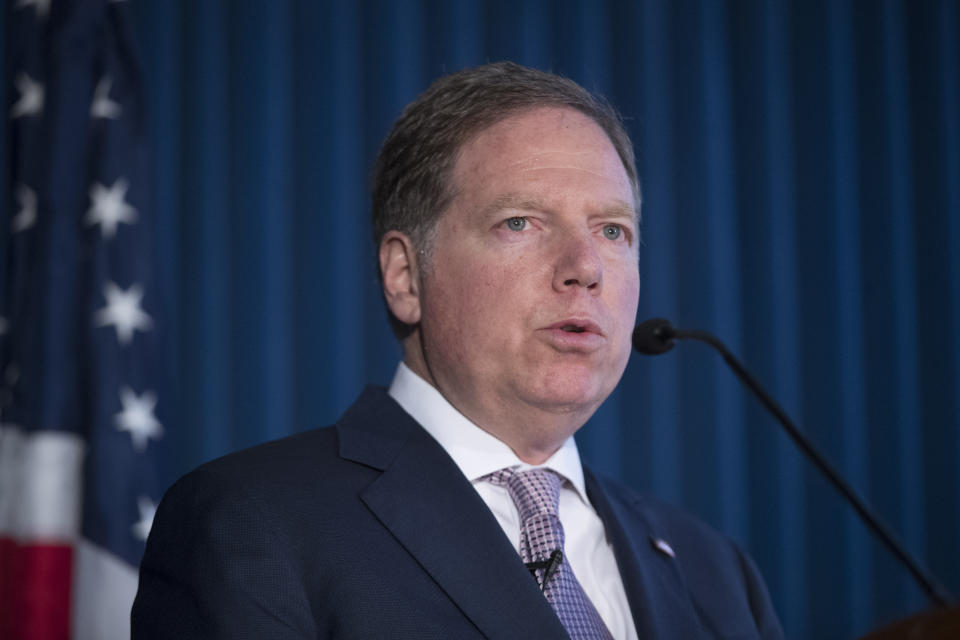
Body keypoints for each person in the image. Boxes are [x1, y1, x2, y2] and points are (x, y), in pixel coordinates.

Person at [131, 62, 784, 639]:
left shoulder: (717, 572)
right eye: (520, 222)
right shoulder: (251, 523)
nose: (585, 266)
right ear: (405, 277)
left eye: (613, 229)